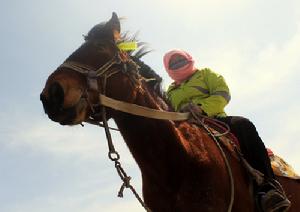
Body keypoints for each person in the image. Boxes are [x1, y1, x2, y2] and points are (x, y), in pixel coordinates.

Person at [163, 49, 291, 212]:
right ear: (168, 68)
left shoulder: (205, 74)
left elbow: (223, 93)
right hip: (186, 128)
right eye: (173, 63)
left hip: (214, 119)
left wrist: (201, 108)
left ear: (189, 58)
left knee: (244, 125)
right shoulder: (170, 91)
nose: (178, 64)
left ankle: (269, 188)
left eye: (181, 59)